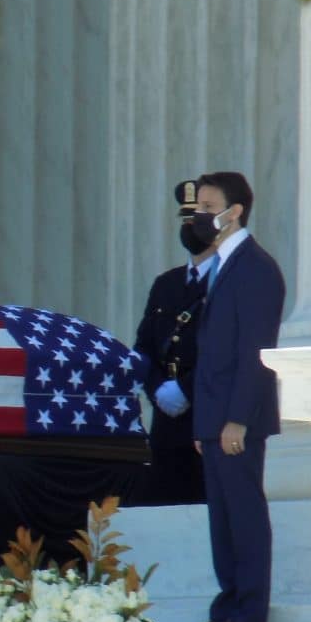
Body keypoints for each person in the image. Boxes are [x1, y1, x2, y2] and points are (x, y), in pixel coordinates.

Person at [172, 171, 286, 622]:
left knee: (242, 513)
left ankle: (247, 611)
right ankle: (228, 607)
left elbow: (253, 353)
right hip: (216, 422)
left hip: (237, 421)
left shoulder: (255, 268)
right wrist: (207, 424)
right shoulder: (222, 266)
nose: (198, 216)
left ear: (233, 211)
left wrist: (237, 419)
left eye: (206, 207)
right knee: (222, 517)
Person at [132, 179, 215, 505]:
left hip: (206, 420)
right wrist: (158, 391)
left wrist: (185, 390)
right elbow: (144, 348)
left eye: (196, 220)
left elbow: (226, 351)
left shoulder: (226, 281)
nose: (189, 228)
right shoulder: (166, 284)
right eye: (185, 221)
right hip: (166, 427)